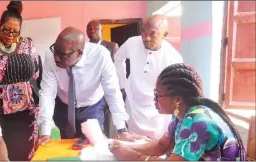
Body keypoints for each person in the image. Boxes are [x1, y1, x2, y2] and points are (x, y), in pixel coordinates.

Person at [109, 63, 246, 161]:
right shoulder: (181, 114)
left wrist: (131, 156)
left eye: (158, 95)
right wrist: (126, 147)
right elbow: (162, 145)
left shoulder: (198, 122)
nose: (154, 100)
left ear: (177, 99)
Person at [37, 26, 142, 146]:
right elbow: (47, 93)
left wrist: (122, 129)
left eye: (62, 55)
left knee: (93, 146)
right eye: (55, 50)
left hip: (92, 107)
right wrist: (45, 131)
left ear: (79, 53)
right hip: (64, 107)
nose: (56, 57)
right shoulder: (51, 57)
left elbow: (112, 91)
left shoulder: (100, 55)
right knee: (67, 146)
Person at [0, 1, 42, 160]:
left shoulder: (28, 44)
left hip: (28, 113)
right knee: (4, 152)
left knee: (27, 152)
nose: (10, 34)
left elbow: (36, 74)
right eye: (6, 29)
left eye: (15, 31)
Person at [114, 14, 183, 140]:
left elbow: (173, 90)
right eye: (143, 32)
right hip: (134, 105)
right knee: (132, 144)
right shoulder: (132, 43)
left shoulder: (174, 58)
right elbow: (118, 58)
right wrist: (122, 84)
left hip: (156, 112)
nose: (146, 38)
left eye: (153, 34)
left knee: (155, 149)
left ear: (165, 34)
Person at [86, 20, 120, 138]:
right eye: (89, 29)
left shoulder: (111, 46)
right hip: (91, 92)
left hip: (108, 90)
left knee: (110, 125)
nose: (92, 31)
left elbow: (118, 71)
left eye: (95, 28)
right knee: (94, 128)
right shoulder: (84, 48)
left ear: (101, 30)